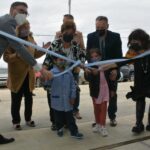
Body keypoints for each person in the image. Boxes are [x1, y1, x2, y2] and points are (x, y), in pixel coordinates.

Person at [3, 21, 50, 130]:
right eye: (25, 27)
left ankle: (28, 119)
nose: (27, 30)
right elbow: (6, 57)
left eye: (28, 27)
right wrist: (17, 55)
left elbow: (34, 55)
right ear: (19, 28)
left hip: (29, 75)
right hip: (16, 76)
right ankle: (16, 122)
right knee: (16, 100)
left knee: (29, 99)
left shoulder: (31, 39)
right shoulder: (11, 39)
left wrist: (43, 50)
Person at [43, 20, 85, 130]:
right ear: (62, 32)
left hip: (69, 78)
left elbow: (82, 59)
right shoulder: (55, 44)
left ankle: (67, 121)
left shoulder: (75, 46)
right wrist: (44, 72)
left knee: (68, 99)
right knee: (54, 99)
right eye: (66, 32)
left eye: (71, 33)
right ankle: (55, 122)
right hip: (55, 77)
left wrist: (79, 65)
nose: (68, 34)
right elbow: (47, 60)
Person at [86, 16, 122, 126]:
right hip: (97, 71)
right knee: (96, 95)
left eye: (102, 27)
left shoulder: (115, 37)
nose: (99, 29)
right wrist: (91, 68)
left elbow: (119, 56)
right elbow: (88, 54)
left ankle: (112, 117)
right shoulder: (91, 36)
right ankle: (98, 120)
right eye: (97, 27)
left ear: (107, 26)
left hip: (111, 69)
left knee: (112, 94)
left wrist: (115, 69)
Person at [47, 51, 83, 139]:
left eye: (63, 59)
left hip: (68, 101)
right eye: (60, 59)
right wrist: (46, 78)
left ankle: (74, 132)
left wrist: (73, 96)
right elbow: (47, 83)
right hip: (57, 101)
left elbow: (73, 86)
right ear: (55, 61)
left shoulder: (69, 73)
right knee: (58, 118)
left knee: (70, 118)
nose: (62, 61)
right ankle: (59, 128)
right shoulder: (51, 72)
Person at [124, 29, 150, 133]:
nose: (133, 42)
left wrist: (143, 52)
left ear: (143, 40)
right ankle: (138, 123)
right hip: (139, 78)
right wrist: (135, 50)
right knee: (139, 99)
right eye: (132, 40)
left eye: (136, 40)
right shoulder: (133, 50)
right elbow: (127, 60)